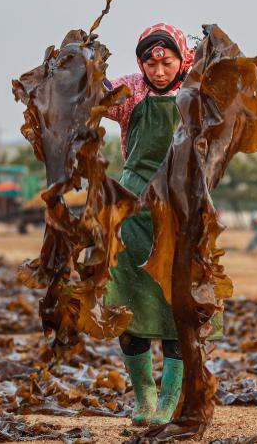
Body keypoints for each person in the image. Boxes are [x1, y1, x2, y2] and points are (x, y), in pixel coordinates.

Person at [103, 23, 193, 426]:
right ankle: (145, 400)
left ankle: (170, 401)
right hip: (133, 209)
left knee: (180, 311)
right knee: (129, 306)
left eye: (167, 62)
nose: (158, 71)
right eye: (150, 63)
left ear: (182, 59)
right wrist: (83, 69)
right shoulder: (130, 92)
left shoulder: (199, 94)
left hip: (184, 211)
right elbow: (97, 100)